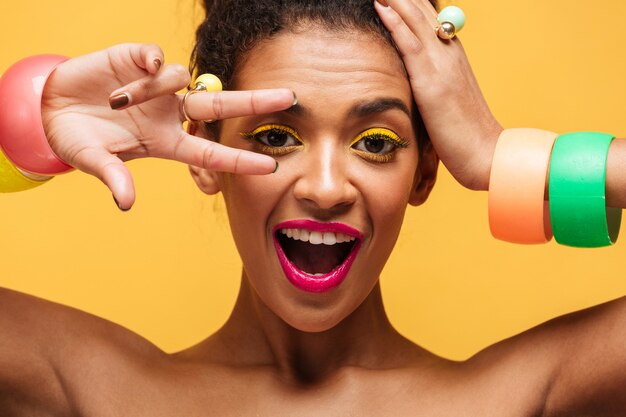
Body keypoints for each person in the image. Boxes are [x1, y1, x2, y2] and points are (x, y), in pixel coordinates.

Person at [1, 0, 625, 415]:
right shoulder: (95, 389)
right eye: (275, 136)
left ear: (426, 170)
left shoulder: (519, 397)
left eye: (376, 143)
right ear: (201, 154)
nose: (326, 189)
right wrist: (27, 126)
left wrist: (506, 159)